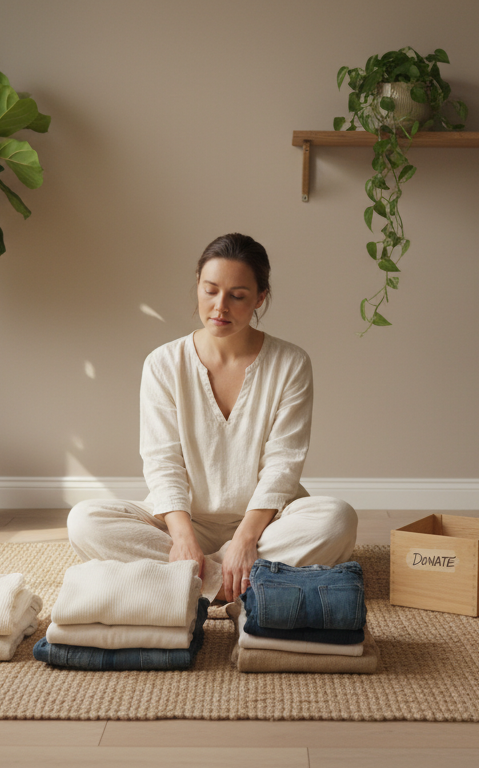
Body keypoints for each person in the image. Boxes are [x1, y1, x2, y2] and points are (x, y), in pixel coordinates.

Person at [67, 233, 358, 603]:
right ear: (198, 287)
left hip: (266, 523)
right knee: (84, 521)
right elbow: (162, 461)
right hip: (183, 521)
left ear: (259, 298)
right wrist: (183, 539)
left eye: (237, 296)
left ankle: (191, 581)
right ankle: (239, 582)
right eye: (210, 290)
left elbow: (284, 464)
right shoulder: (163, 363)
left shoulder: (291, 363)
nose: (220, 306)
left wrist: (245, 540)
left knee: (337, 519)